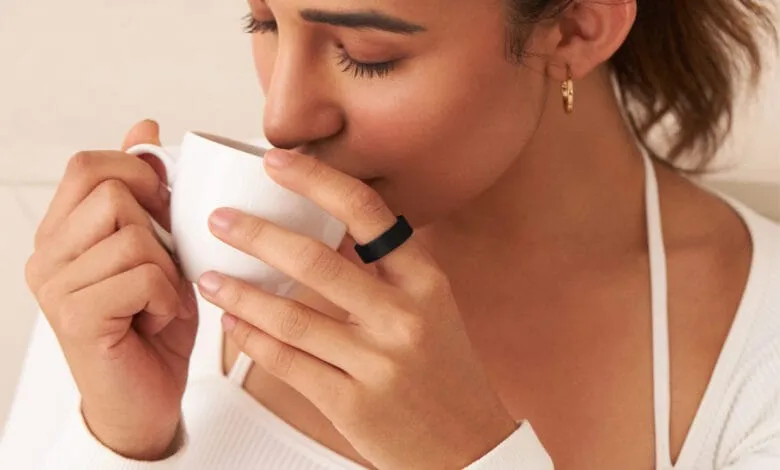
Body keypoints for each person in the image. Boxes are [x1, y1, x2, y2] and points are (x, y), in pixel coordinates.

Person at [1, 0, 778, 468]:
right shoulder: (142, 270)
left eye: (368, 56)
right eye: (264, 21)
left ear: (575, 26)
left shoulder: (757, 350)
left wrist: (470, 459)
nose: (282, 116)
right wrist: (117, 443)